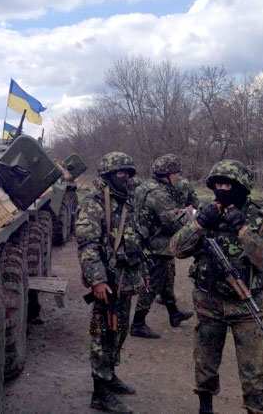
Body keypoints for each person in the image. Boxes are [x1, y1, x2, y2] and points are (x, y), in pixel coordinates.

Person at [171, 159, 263, 414]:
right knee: (205, 362)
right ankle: (205, 406)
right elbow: (176, 248)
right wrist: (199, 224)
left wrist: (243, 230)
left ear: (241, 187)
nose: (222, 189)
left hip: (246, 306)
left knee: (254, 370)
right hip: (209, 302)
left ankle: (257, 409)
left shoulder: (259, 219)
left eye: (228, 185)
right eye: (217, 184)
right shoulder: (206, 213)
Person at [76, 152, 149, 414]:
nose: (126, 177)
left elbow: (136, 238)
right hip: (107, 282)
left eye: (128, 173)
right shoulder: (94, 203)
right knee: (103, 335)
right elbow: (88, 245)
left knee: (119, 331)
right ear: (107, 176)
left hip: (125, 280)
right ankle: (100, 391)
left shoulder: (126, 200)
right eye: (120, 173)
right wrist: (97, 280)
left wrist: (142, 271)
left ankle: (110, 375)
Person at [130, 154, 195, 339]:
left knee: (167, 279)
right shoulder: (159, 194)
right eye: (176, 174)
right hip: (155, 245)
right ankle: (138, 323)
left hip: (150, 241)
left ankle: (174, 314)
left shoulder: (146, 186)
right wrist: (189, 214)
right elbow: (173, 223)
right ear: (167, 174)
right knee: (153, 283)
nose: (178, 177)